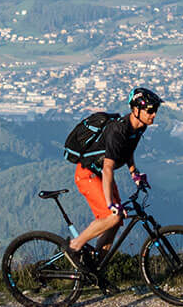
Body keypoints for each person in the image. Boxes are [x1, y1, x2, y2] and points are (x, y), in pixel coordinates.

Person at [65, 86, 162, 274]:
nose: (154, 115)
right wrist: (111, 204)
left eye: (155, 110)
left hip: (100, 175)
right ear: (136, 110)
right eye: (150, 110)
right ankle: (74, 246)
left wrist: (134, 173)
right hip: (88, 174)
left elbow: (127, 152)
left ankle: (95, 271)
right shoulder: (118, 130)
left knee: (115, 222)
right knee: (113, 216)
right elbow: (108, 168)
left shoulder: (139, 128)